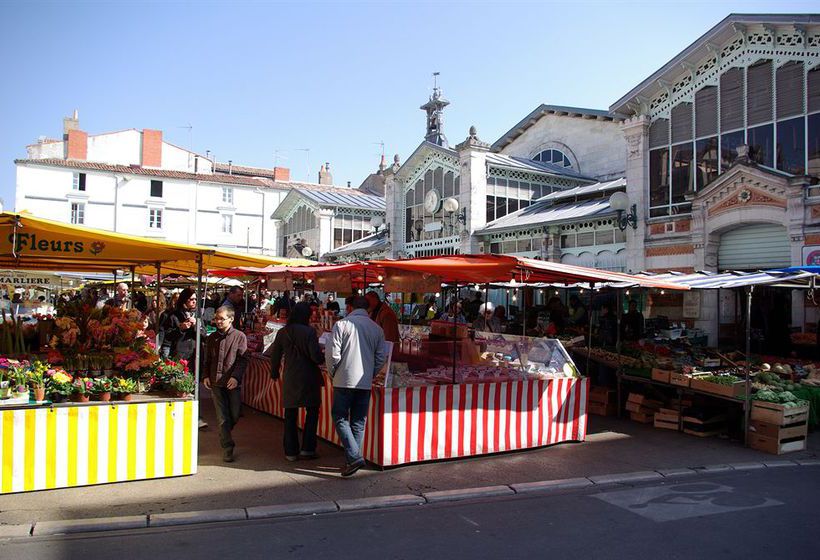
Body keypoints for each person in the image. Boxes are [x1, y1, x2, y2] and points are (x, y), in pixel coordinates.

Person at [327, 296, 386, 477]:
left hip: (344, 380)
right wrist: (371, 374)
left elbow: (333, 355)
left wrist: (332, 373)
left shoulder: (342, 325)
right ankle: (352, 459)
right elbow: (380, 358)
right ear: (368, 309)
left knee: (339, 417)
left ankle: (353, 457)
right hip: (364, 382)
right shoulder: (377, 329)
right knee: (358, 423)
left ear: (350, 307)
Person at [268, 302, 324, 461]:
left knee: (290, 414)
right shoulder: (310, 332)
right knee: (312, 412)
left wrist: (274, 373)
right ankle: (308, 448)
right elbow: (317, 358)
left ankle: (291, 451)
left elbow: (275, 355)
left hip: (291, 376)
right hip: (309, 377)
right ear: (306, 316)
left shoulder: (283, 332)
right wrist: (319, 342)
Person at [203, 306, 248, 462]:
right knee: (222, 417)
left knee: (234, 414)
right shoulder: (212, 337)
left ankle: (225, 433)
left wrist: (235, 377)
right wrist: (206, 375)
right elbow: (207, 359)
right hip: (216, 382)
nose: (218, 321)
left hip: (232, 383)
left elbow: (243, 360)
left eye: (222, 318)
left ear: (231, 319)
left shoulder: (239, 336)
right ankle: (227, 447)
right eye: (217, 318)